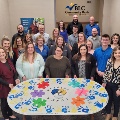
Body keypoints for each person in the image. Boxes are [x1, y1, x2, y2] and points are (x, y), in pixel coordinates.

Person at [0, 47, 20, 120]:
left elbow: (14, 72)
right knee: (4, 102)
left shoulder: (8, 61)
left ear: (5, 53)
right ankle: (5, 117)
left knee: (10, 100)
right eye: (0, 53)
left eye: (3, 52)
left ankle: (10, 114)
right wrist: (7, 84)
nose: (1, 54)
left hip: (12, 83)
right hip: (3, 85)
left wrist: (16, 79)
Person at [102, 46, 120, 120]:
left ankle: (115, 115)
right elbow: (106, 72)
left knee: (116, 101)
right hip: (109, 84)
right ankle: (108, 113)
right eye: (115, 53)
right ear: (113, 54)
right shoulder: (110, 61)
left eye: (119, 53)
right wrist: (104, 82)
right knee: (108, 100)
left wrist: (119, 89)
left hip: (117, 86)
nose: (117, 54)